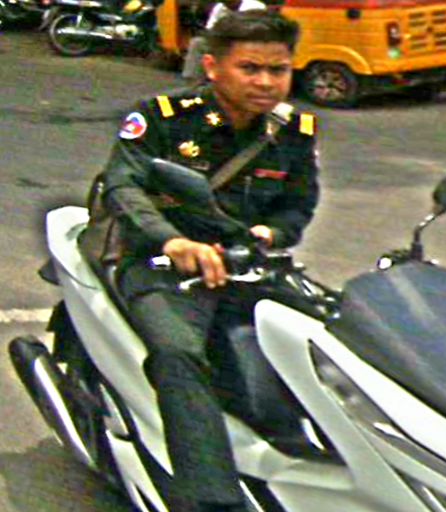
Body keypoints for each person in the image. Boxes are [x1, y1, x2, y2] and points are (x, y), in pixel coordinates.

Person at [100, 9, 320, 512]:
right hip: (162, 265)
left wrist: (272, 232)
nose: (265, 82)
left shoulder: (294, 131)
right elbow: (124, 187)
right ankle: (210, 499)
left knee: (326, 343)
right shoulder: (162, 116)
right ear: (213, 66)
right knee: (179, 353)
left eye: (278, 69)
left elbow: (298, 204)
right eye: (250, 68)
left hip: (247, 265)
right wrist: (171, 241)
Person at [181, 0, 266, 83]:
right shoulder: (219, 8)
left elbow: (253, 31)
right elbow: (210, 29)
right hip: (222, 40)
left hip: (248, 42)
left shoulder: (254, 6)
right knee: (197, 42)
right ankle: (193, 81)